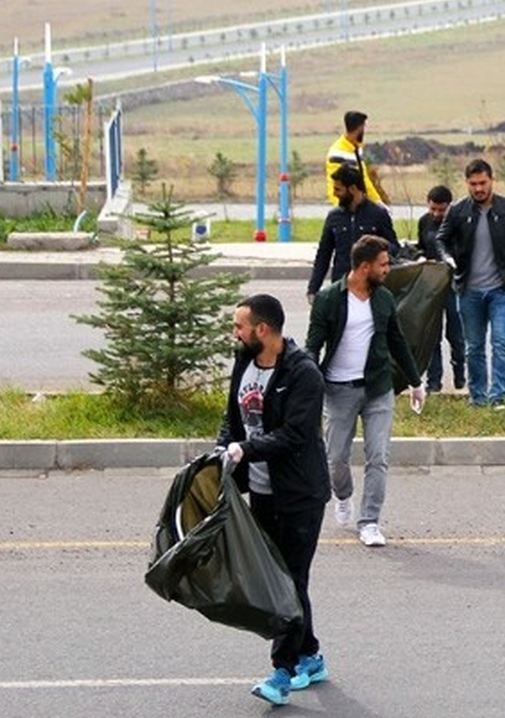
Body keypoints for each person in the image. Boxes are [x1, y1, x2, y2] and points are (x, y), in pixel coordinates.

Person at [217, 294, 332, 706]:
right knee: (279, 578)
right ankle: (310, 655)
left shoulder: (303, 374)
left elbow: (294, 436)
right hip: (263, 493)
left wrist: (245, 451)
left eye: (240, 327)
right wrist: (223, 451)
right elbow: (233, 418)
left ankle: (282, 672)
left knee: (288, 580)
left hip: (300, 495)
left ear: (262, 329)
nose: (236, 333)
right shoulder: (244, 362)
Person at [305, 234, 425, 548]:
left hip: (377, 389)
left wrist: (415, 382)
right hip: (338, 390)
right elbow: (312, 347)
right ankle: (342, 495)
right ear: (363, 267)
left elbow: (397, 341)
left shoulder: (383, 298)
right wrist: (308, 386)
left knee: (378, 457)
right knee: (336, 461)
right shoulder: (329, 299)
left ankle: (369, 521)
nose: (388, 269)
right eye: (383, 264)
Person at [436, 159, 505, 409]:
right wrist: (448, 260)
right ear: (467, 184)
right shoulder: (458, 211)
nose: (478, 189)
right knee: (474, 347)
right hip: (469, 290)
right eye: (473, 184)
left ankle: (498, 397)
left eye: (483, 183)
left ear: (491, 180)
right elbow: (442, 240)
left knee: (501, 342)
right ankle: (478, 396)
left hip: (502, 289)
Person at [307, 164, 398, 302]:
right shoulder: (334, 217)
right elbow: (323, 255)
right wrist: (313, 289)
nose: (334, 193)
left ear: (353, 189)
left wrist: (376, 249)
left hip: (372, 289)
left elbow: (394, 247)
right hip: (341, 287)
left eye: (338, 189)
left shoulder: (378, 214)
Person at [417, 185, 466, 392]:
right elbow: (422, 245)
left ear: (449, 207)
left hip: (453, 283)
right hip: (431, 284)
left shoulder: (458, 222)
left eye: (441, 210)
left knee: (455, 333)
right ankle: (433, 381)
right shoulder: (424, 222)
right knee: (431, 335)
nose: (436, 214)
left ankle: (459, 371)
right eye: (433, 209)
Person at [326, 109, 388, 205]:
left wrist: (378, 203)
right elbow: (337, 184)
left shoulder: (356, 149)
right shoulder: (338, 152)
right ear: (360, 128)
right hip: (345, 205)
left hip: (358, 203)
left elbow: (364, 180)